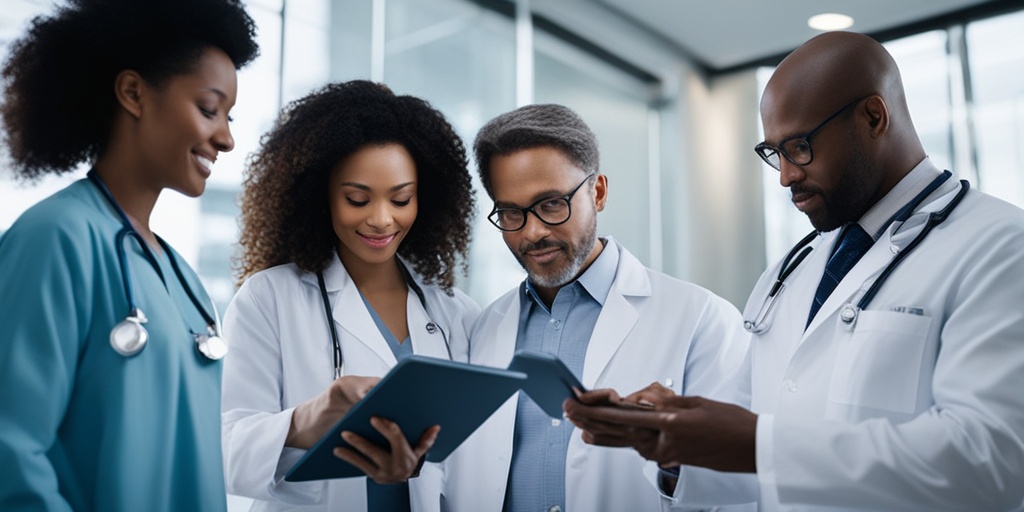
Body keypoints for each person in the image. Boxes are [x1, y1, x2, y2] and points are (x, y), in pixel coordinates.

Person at [565, 31, 1024, 511]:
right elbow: (755, 448)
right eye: (774, 153)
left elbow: (990, 461)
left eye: (800, 147)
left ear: (873, 116)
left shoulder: (998, 245)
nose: (785, 176)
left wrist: (760, 444)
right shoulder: (791, 272)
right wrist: (674, 441)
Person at [0, 0, 258, 510]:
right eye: (209, 109)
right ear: (133, 93)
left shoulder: (183, 281)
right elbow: (11, 451)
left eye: (228, 117)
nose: (226, 138)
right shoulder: (55, 237)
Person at [439, 103, 749, 511]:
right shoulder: (482, 329)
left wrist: (671, 460)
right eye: (512, 213)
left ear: (597, 192)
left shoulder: (701, 318)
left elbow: (741, 484)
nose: (532, 232)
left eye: (551, 204)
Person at [220, 80, 480, 512]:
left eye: (402, 199)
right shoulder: (268, 299)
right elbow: (224, 450)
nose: (382, 220)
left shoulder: (456, 314)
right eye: (357, 199)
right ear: (320, 195)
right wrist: (304, 423)